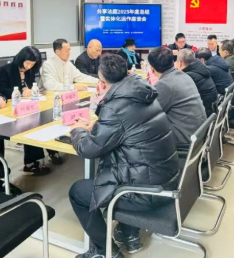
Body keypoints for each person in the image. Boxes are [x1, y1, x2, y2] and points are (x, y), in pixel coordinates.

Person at [69, 54, 180, 258]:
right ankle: (128, 234)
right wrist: (99, 125)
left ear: (102, 83)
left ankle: (105, 252)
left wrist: (77, 130)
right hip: (167, 178)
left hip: (147, 192)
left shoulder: (114, 108)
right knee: (113, 172)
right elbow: (130, 126)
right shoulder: (144, 92)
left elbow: (87, 149)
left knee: (78, 192)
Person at [0, 46, 62, 175]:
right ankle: (31, 163)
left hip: (27, 105)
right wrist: (20, 92)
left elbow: (30, 86)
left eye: (33, 64)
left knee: (44, 118)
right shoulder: (6, 70)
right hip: (10, 107)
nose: (30, 66)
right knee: (31, 125)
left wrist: (30, 91)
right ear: (21, 59)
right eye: (28, 63)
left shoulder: (30, 70)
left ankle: (51, 147)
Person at [147, 47, 206, 144]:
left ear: (152, 69)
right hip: (198, 133)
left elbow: (149, 114)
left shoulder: (164, 84)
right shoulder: (184, 75)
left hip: (185, 139)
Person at [178, 49, 218, 116]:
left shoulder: (187, 76)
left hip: (203, 112)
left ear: (180, 62)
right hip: (211, 108)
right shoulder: (200, 67)